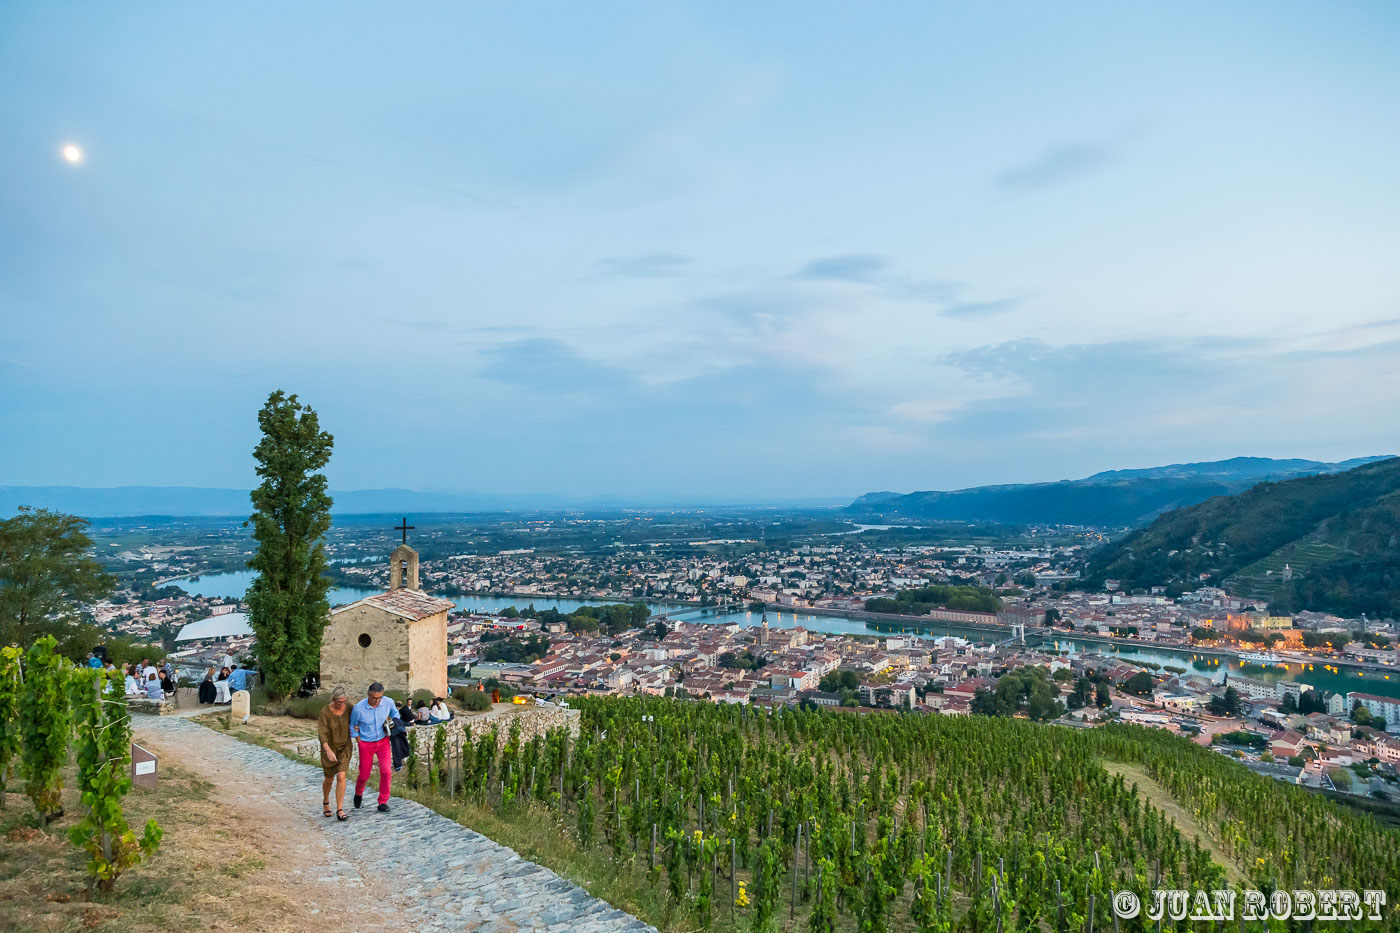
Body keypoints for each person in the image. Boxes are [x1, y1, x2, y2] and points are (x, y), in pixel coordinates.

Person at [349, 682, 400, 812]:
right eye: (373, 698)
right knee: (364, 774)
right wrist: (359, 741)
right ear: (368, 695)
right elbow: (352, 726)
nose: (376, 700)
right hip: (366, 743)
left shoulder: (388, 702)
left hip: (383, 741)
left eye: (379, 698)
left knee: (386, 771)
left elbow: (395, 713)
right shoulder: (358, 709)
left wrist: (394, 722)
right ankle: (358, 792)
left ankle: (383, 801)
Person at [318, 687, 353, 821]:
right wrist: (327, 750)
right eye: (339, 702)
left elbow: (357, 718)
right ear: (333, 699)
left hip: (345, 747)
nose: (342, 704)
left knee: (341, 776)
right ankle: (326, 800)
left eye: (344, 701)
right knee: (329, 778)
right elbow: (322, 733)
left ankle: (340, 809)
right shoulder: (325, 712)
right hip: (330, 748)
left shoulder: (349, 707)